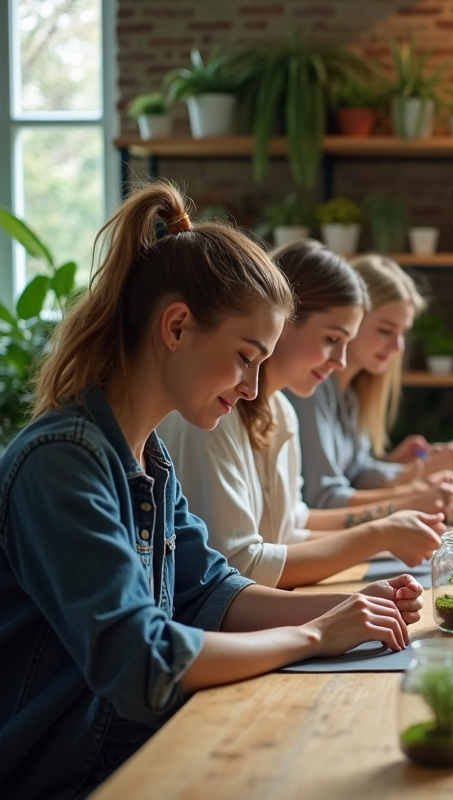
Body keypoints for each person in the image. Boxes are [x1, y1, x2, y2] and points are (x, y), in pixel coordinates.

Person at [0, 184, 425, 800]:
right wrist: (313, 636)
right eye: (245, 358)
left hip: (136, 752)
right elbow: (142, 662)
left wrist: (351, 611)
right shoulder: (62, 462)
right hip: (72, 781)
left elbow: (210, 591)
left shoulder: (151, 459)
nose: (254, 388)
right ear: (177, 327)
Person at [160, 241, 447, 589]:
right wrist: (379, 532)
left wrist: (389, 527)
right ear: (282, 321)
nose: (341, 362)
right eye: (331, 339)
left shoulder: (281, 411)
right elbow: (240, 565)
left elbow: (289, 527)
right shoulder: (213, 413)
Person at [290, 254, 453, 510]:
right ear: (352, 319)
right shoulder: (309, 388)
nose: (398, 346)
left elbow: (355, 474)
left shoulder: (350, 392)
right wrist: (413, 487)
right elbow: (322, 498)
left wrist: (400, 469)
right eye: (385, 330)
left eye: (403, 333)